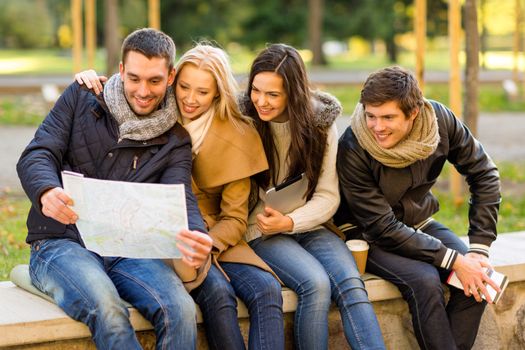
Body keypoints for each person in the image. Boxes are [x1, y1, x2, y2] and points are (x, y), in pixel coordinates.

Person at [75, 43, 284, 350]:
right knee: (218, 294)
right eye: (184, 87)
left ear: (217, 93)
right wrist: (89, 76)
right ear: (173, 81)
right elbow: (132, 83)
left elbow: (235, 218)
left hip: (215, 238)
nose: (189, 98)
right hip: (161, 235)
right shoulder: (154, 112)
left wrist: (205, 243)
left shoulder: (239, 135)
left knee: (266, 289)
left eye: (202, 91)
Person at [17, 28, 213, 350]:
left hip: (128, 249)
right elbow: (38, 152)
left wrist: (196, 233)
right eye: (134, 78)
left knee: (179, 309)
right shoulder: (81, 97)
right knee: (108, 309)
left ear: (170, 76)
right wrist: (46, 191)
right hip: (61, 242)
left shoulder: (176, 140)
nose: (143, 91)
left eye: (154, 80)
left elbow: (180, 197)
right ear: (121, 71)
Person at [334, 66, 501, 349]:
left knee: (478, 281)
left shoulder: (440, 121)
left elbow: (484, 173)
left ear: (413, 113)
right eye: (371, 115)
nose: (376, 126)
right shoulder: (353, 145)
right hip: (368, 234)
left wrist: (478, 249)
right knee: (425, 282)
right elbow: (381, 227)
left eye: (388, 117)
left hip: (417, 221)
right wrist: (456, 260)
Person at [240, 43, 385, 350]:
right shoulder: (243, 122)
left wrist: (291, 221)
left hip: (308, 224)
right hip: (261, 229)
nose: (261, 101)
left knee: (351, 285)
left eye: (273, 95)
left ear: (293, 93)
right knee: (315, 285)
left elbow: (328, 197)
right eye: (256, 90)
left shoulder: (320, 125)